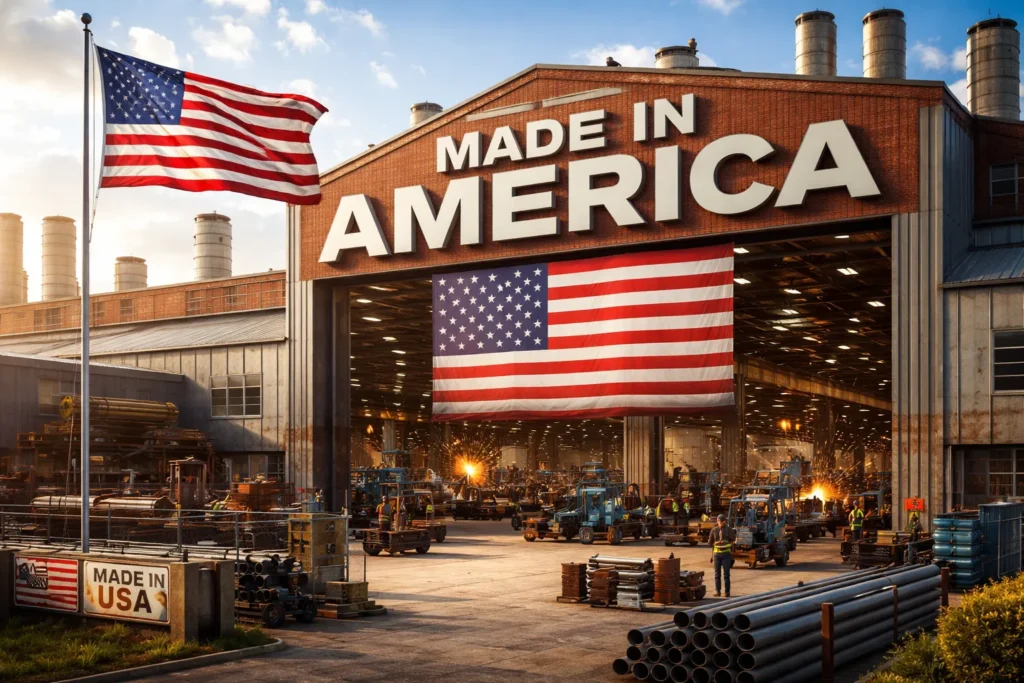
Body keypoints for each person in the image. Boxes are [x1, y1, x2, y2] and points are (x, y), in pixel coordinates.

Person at [708, 514, 735, 598]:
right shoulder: (714, 530)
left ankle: (727, 592)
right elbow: (710, 542)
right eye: (718, 521)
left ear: (724, 521)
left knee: (726, 574)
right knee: (717, 574)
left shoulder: (729, 530)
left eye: (721, 521)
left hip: (726, 554)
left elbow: (733, 539)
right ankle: (718, 591)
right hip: (717, 555)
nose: (719, 522)